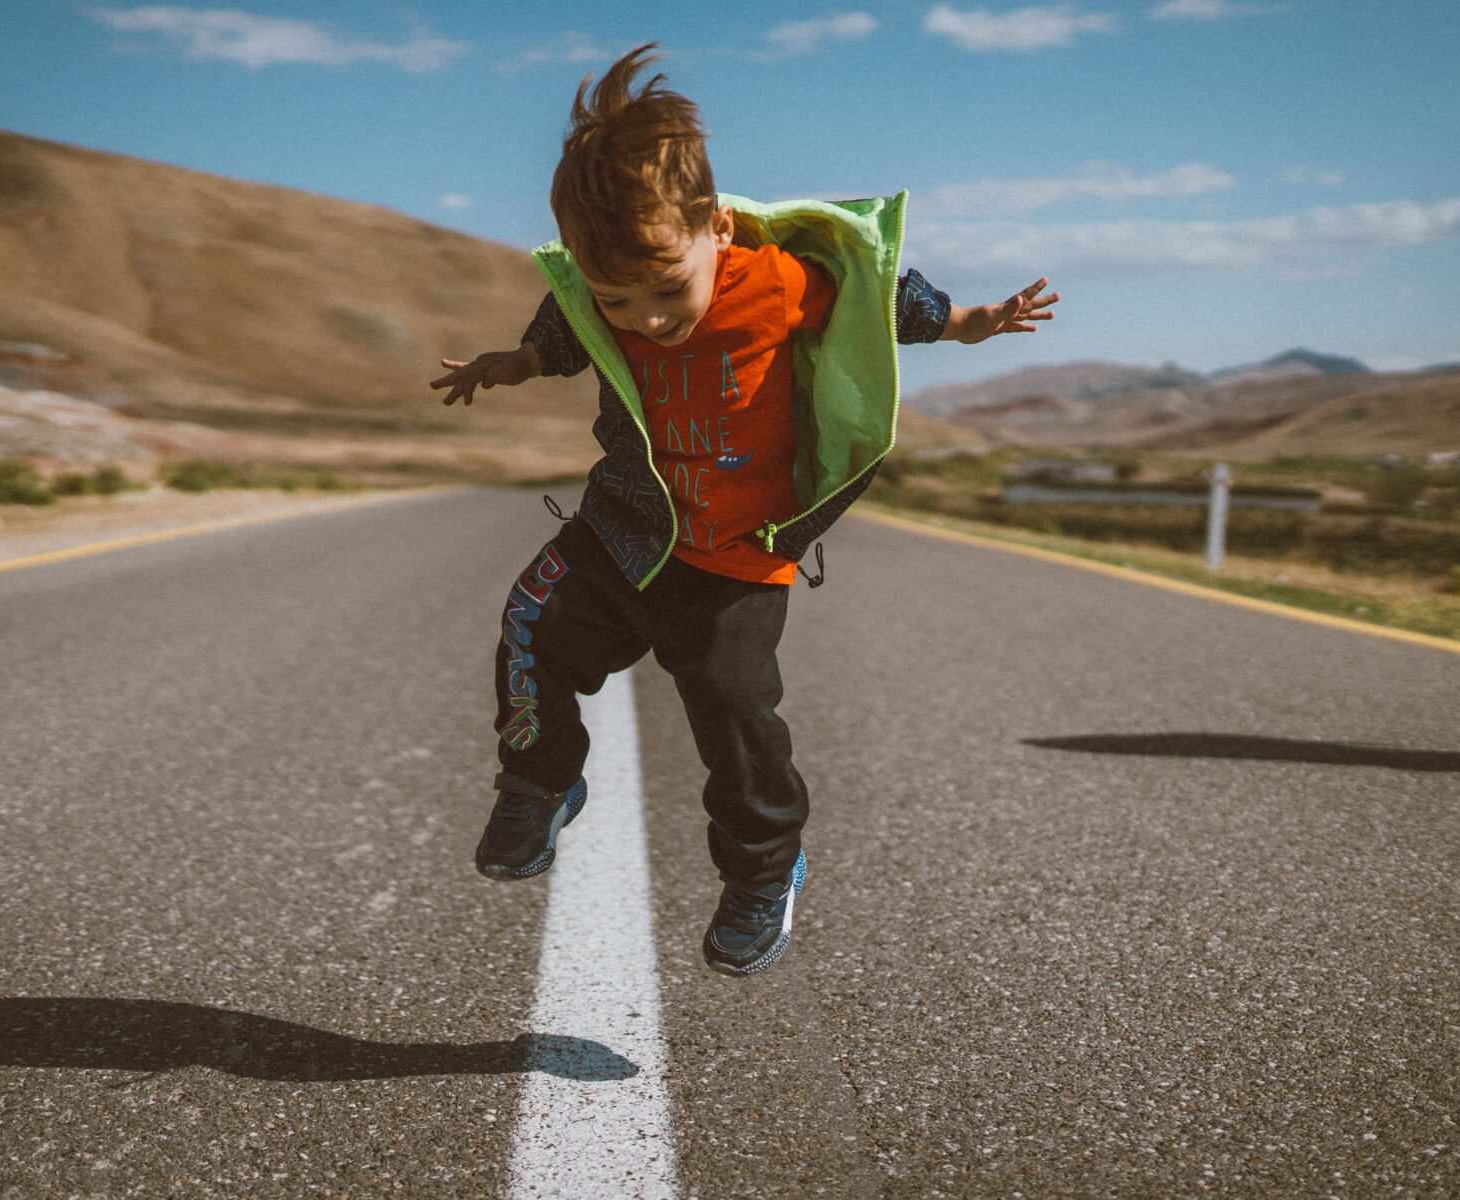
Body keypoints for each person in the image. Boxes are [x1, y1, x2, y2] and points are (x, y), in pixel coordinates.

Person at [430, 44, 1057, 976]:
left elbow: (878, 296)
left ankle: (765, 872)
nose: (644, 319)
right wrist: (510, 362)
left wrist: (968, 321)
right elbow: (563, 330)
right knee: (529, 625)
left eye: (665, 290)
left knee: (733, 720)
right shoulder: (602, 299)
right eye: (617, 299)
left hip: (733, 558)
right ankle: (538, 779)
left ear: (718, 227)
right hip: (623, 528)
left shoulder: (777, 279)